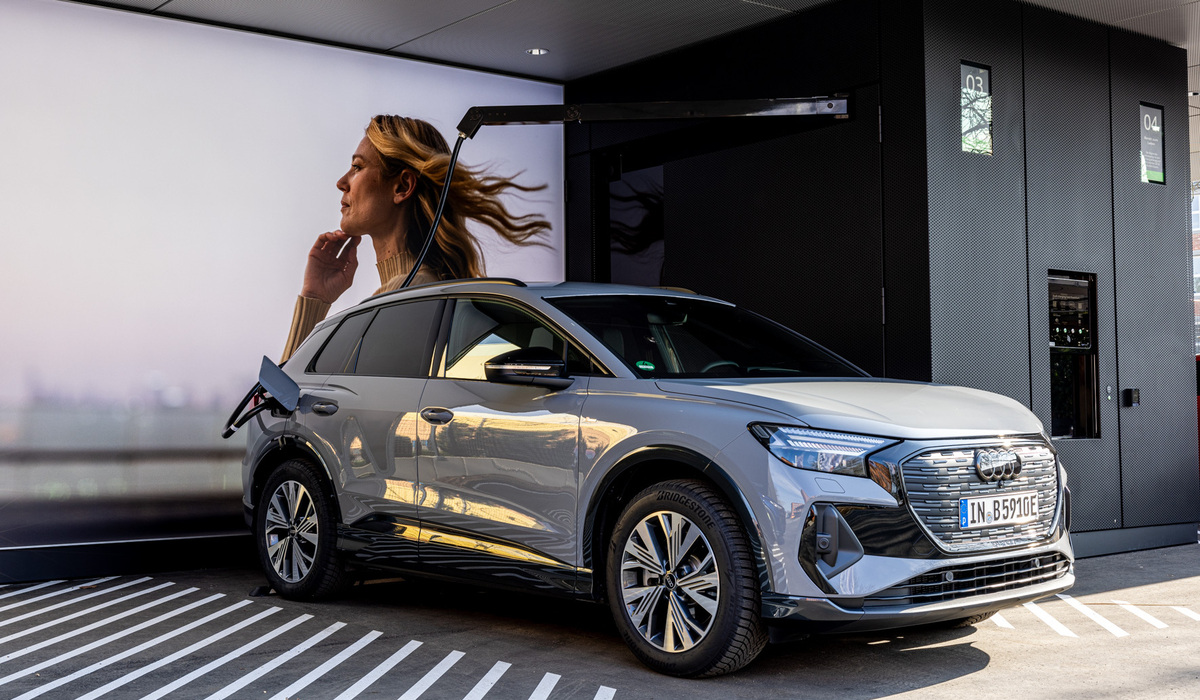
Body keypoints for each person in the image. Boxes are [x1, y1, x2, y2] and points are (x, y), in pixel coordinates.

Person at [281, 115, 550, 362]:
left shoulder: (402, 299)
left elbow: (288, 396)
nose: (341, 182)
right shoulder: (418, 291)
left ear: (402, 187)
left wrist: (313, 302)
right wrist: (316, 296)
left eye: (357, 167)